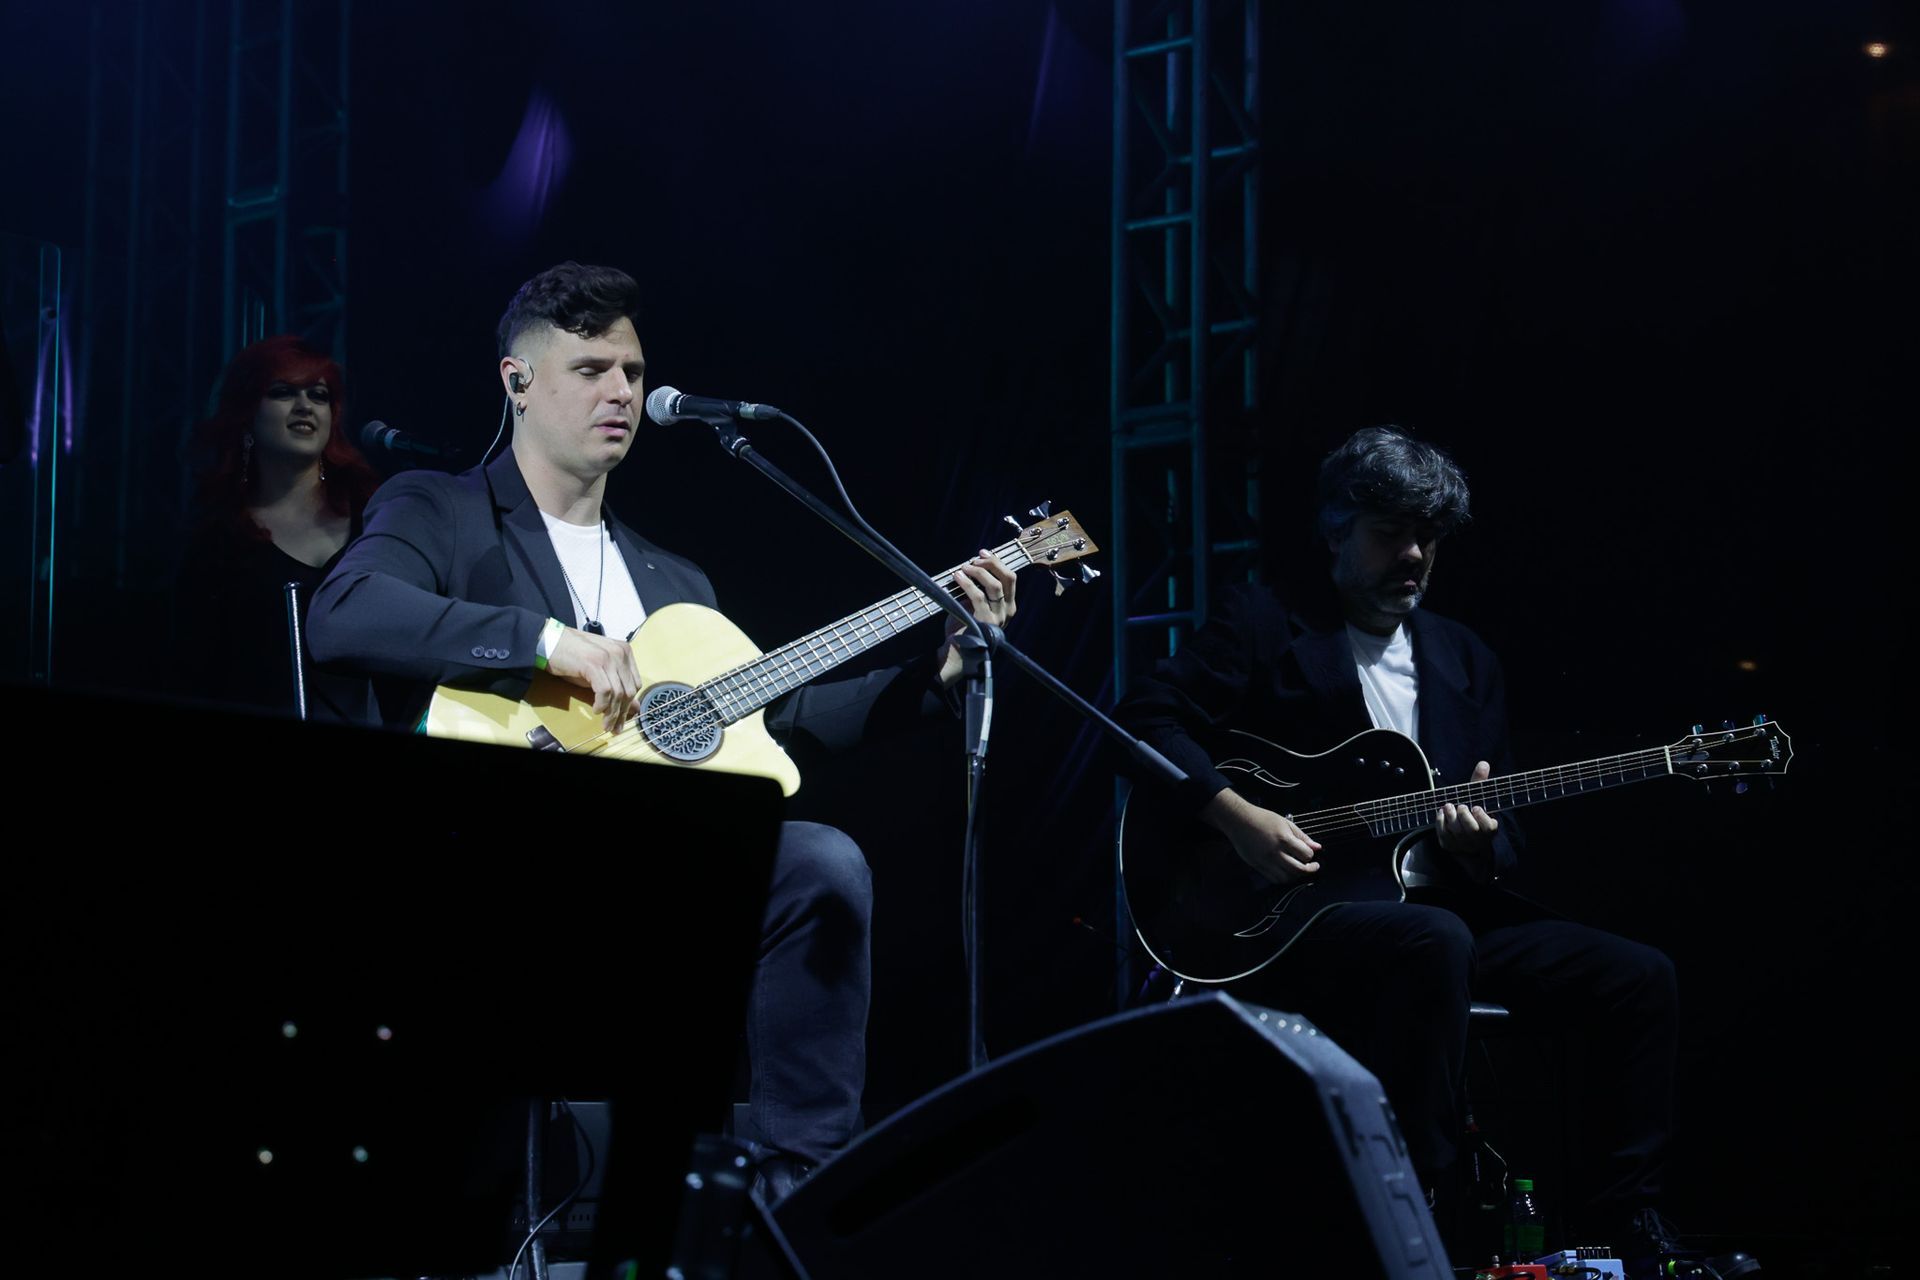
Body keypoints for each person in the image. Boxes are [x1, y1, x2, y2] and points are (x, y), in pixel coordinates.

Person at [308, 261, 1015, 1200]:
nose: (622, 393)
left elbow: (784, 721)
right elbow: (343, 611)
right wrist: (547, 642)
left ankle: (794, 1192)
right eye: (591, 369)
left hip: (652, 889)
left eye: (634, 373)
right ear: (518, 383)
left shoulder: (675, 582)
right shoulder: (439, 509)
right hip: (493, 872)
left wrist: (940, 675)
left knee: (821, 862)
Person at [1115, 427, 1752, 1279]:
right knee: (1436, 943)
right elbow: (1140, 721)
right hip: (1282, 923)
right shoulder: (1265, 620)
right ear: (1336, 530)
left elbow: (1505, 834)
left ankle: (1628, 1225)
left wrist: (1481, 850)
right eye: (1390, 532)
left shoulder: (1465, 659)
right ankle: (1421, 1223)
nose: (1413, 554)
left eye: (1429, 536)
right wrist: (1237, 817)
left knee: (1640, 976)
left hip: (1427, 910)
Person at [173, 334, 380, 722]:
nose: (305, 406)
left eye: (319, 396)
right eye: (284, 392)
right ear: (246, 412)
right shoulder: (217, 538)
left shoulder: (376, 515)